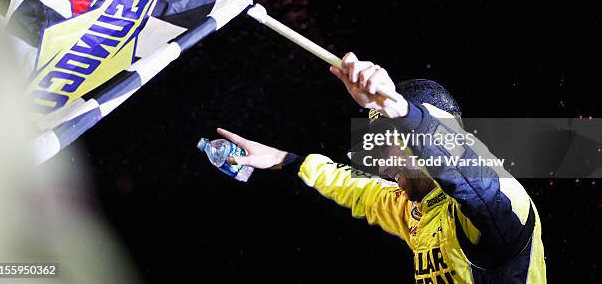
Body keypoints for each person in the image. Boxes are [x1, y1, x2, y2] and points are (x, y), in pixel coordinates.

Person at [217, 52, 546, 283]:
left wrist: (400, 111)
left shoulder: (503, 203)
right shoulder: (413, 209)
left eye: (392, 147)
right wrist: (283, 159)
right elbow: (354, 188)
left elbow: (470, 172)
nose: (386, 167)